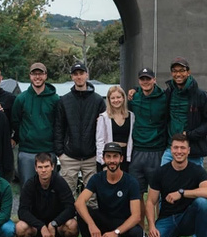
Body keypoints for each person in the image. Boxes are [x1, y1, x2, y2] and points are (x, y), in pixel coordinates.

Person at [143, 133, 207, 237]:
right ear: (171, 150)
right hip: (167, 219)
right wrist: (152, 226)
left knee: (202, 203)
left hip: (188, 218)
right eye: (176, 148)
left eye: (182, 148)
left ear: (188, 151)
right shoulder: (160, 172)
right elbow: (150, 202)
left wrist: (182, 193)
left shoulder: (197, 171)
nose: (179, 151)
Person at [75, 142, 143, 237]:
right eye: (109, 157)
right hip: (104, 221)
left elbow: (136, 216)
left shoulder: (131, 181)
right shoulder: (97, 178)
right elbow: (79, 202)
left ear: (121, 159)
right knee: (83, 213)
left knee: (137, 234)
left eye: (115, 157)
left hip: (123, 224)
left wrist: (116, 232)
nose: (112, 160)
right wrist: (91, 225)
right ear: (103, 158)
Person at [54, 62, 106, 197]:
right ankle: (69, 219)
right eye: (75, 74)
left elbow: (103, 128)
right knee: (66, 196)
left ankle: (89, 219)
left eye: (81, 73)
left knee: (92, 197)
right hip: (69, 157)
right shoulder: (64, 101)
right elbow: (59, 127)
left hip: (91, 157)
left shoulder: (98, 100)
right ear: (72, 77)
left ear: (87, 75)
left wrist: (99, 154)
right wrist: (60, 153)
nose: (79, 77)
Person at [16, 152, 79, 237]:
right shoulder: (30, 184)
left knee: (73, 225)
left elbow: (71, 207)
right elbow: (22, 211)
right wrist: (41, 226)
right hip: (37, 228)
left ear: (52, 167)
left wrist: (54, 223)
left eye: (46, 167)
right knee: (20, 227)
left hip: (57, 228)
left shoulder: (60, 182)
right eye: (40, 167)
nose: (43, 170)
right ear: (35, 168)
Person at [162, 57, 207, 167]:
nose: (178, 74)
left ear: (188, 72)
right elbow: (150, 92)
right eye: (175, 71)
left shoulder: (201, 96)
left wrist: (190, 135)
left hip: (193, 151)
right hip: (170, 150)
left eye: (181, 70)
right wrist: (135, 90)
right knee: (163, 183)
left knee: (194, 184)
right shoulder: (168, 93)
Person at [127, 67, 167, 227]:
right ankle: (141, 230)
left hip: (157, 150)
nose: (145, 82)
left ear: (154, 79)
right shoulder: (134, 97)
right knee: (138, 193)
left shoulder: (164, 97)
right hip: (137, 151)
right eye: (142, 79)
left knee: (158, 193)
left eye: (148, 79)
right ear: (139, 81)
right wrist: (133, 91)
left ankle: (160, 228)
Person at [12, 62, 60, 186]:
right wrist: (24, 136)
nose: (37, 77)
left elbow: (58, 124)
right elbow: (15, 122)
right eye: (34, 74)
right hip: (27, 151)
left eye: (40, 74)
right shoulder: (21, 99)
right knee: (27, 188)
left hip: (49, 150)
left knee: (49, 188)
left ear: (46, 76)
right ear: (30, 76)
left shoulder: (55, 99)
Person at [96, 85, 134, 173]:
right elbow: (100, 142)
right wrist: (103, 163)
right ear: (109, 100)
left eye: (118, 97)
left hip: (125, 157)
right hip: (110, 157)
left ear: (123, 98)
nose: (116, 100)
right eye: (112, 98)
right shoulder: (104, 117)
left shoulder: (131, 116)